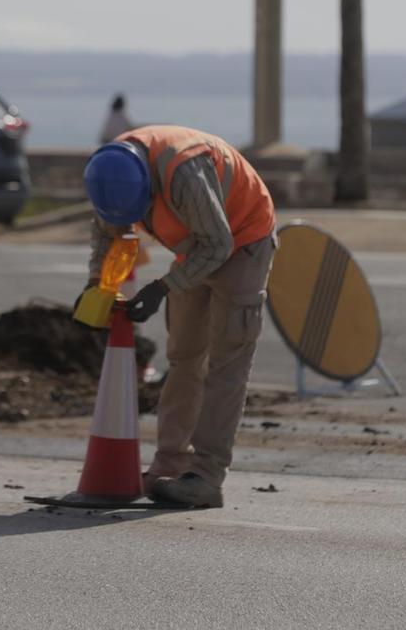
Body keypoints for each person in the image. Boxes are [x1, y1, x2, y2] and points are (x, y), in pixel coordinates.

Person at [79, 126, 277, 508]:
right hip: (195, 246)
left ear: (150, 189)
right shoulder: (111, 172)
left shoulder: (185, 173)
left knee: (226, 364)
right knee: (184, 358)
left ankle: (205, 478)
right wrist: (94, 284)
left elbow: (219, 245)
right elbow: (108, 233)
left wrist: (163, 287)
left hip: (242, 240)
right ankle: (168, 468)